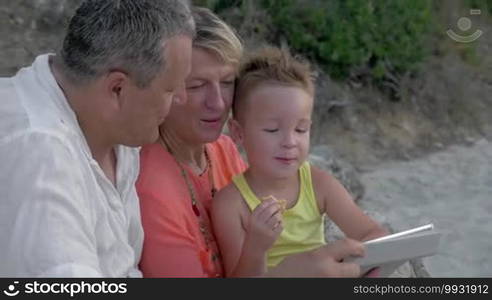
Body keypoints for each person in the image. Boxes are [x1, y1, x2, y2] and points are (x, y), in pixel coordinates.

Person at [137, 7, 371, 278]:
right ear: (165, 86)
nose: (218, 102)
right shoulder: (152, 187)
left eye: (226, 82)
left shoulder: (222, 150)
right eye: (196, 86)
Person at [0, 0, 194, 277]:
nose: (182, 98)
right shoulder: (41, 159)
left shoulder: (112, 131)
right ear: (117, 89)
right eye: (169, 89)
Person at [211, 46, 389, 277]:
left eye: (300, 129)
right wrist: (256, 246)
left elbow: (371, 232)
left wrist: (370, 261)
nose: (289, 142)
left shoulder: (318, 183)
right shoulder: (231, 204)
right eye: (272, 129)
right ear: (238, 132)